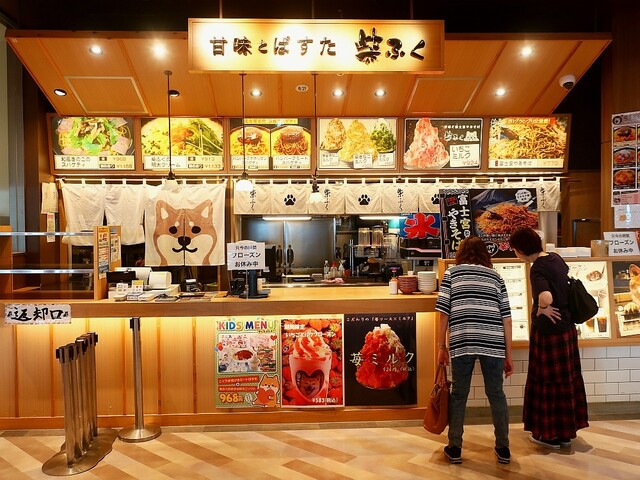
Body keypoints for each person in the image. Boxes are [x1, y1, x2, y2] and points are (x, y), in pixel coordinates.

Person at [508, 226, 589, 449]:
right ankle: (565, 433)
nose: (515, 253)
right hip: (567, 328)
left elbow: (546, 296)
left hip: (548, 334)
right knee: (565, 381)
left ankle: (548, 435)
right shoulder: (555, 258)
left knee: (547, 382)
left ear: (522, 249)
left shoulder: (537, 269)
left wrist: (542, 308)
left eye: (515, 249)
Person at [435, 236, 513, 465]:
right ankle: (503, 448)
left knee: (459, 395)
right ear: (485, 255)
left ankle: (455, 448)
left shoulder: (451, 274)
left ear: (460, 254)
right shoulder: (496, 277)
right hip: (493, 342)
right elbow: (507, 319)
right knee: (496, 394)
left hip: (462, 340)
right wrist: (508, 355)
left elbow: (443, 314)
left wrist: (441, 347)